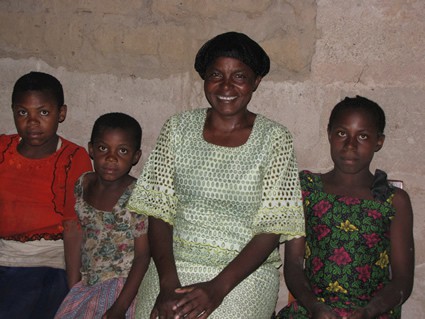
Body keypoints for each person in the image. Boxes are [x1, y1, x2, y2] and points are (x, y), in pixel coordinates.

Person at [127, 31, 305, 319]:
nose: (226, 86)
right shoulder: (177, 129)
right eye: (216, 75)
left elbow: (271, 229)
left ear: (255, 82)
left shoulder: (275, 139)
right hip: (171, 268)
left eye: (239, 76)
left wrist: (216, 289)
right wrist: (169, 284)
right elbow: (159, 213)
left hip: (243, 276)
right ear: (204, 79)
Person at [275, 96, 415, 319]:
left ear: (379, 142)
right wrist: (314, 307)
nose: (350, 144)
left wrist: (370, 311)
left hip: (373, 312)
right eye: (342, 133)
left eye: (363, 136)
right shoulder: (307, 189)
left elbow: (403, 280)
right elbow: (293, 264)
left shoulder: (394, 200)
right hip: (313, 309)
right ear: (329, 134)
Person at [0, 71, 93, 318]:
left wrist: (74, 290)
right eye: (23, 112)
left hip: (47, 262)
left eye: (43, 112)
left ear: (61, 113)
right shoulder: (2, 148)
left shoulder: (74, 157)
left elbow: (73, 226)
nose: (32, 122)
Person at [54, 112, 150, 319]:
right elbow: (76, 235)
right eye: (103, 148)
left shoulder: (138, 197)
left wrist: (119, 308)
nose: (111, 158)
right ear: (91, 149)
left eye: (122, 151)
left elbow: (143, 257)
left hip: (125, 288)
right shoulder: (82, 184)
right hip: (88, 283)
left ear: (135, 156)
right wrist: (74, 288)